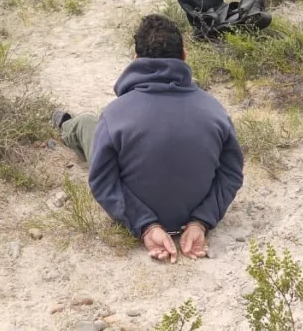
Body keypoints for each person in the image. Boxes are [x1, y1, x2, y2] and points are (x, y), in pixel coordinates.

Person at [53, 14, 244, 263]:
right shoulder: (215, 110)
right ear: (184, 55)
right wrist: (201, 221)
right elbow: (231, 173)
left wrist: (146, 225)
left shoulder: (114, 114)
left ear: (135, 58)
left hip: (139, 215)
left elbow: (102, 181)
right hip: (196, 220)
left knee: (87, 123)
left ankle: (66, 124)